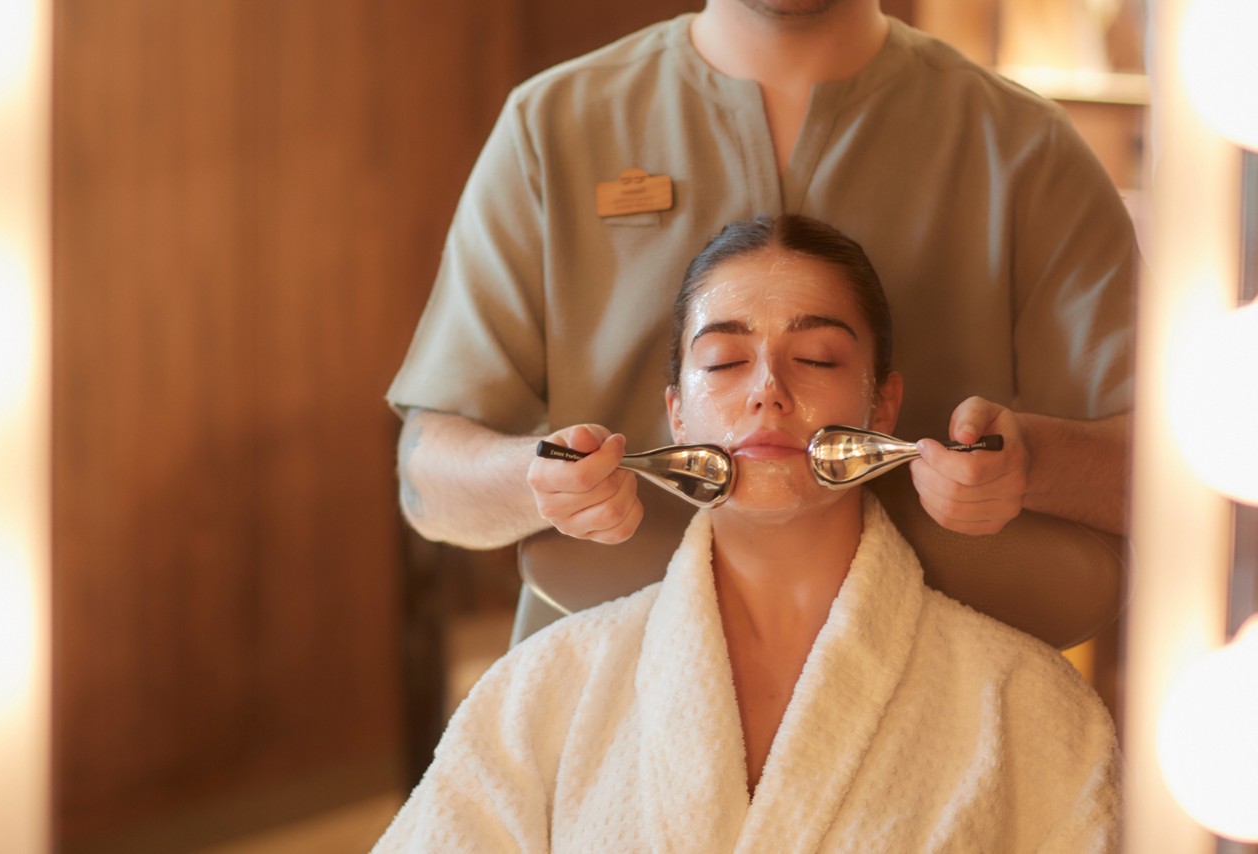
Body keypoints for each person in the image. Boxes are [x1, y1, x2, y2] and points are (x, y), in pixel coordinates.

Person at [373, 216, 1119, 852]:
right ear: (677, 416)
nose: (767, 387)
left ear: (883, 407)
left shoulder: (1026, 707)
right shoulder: (539, 695)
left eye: (817, 358)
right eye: (725, 360)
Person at [390, 0, 1136, 634]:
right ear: (673, 407)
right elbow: (430, 481)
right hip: (613, 718)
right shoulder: (550, 128)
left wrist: (1031, 466)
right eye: (721, 364)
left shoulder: (1025, 151)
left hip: (951, 723)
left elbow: (1178, 481)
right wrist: (540, 480)